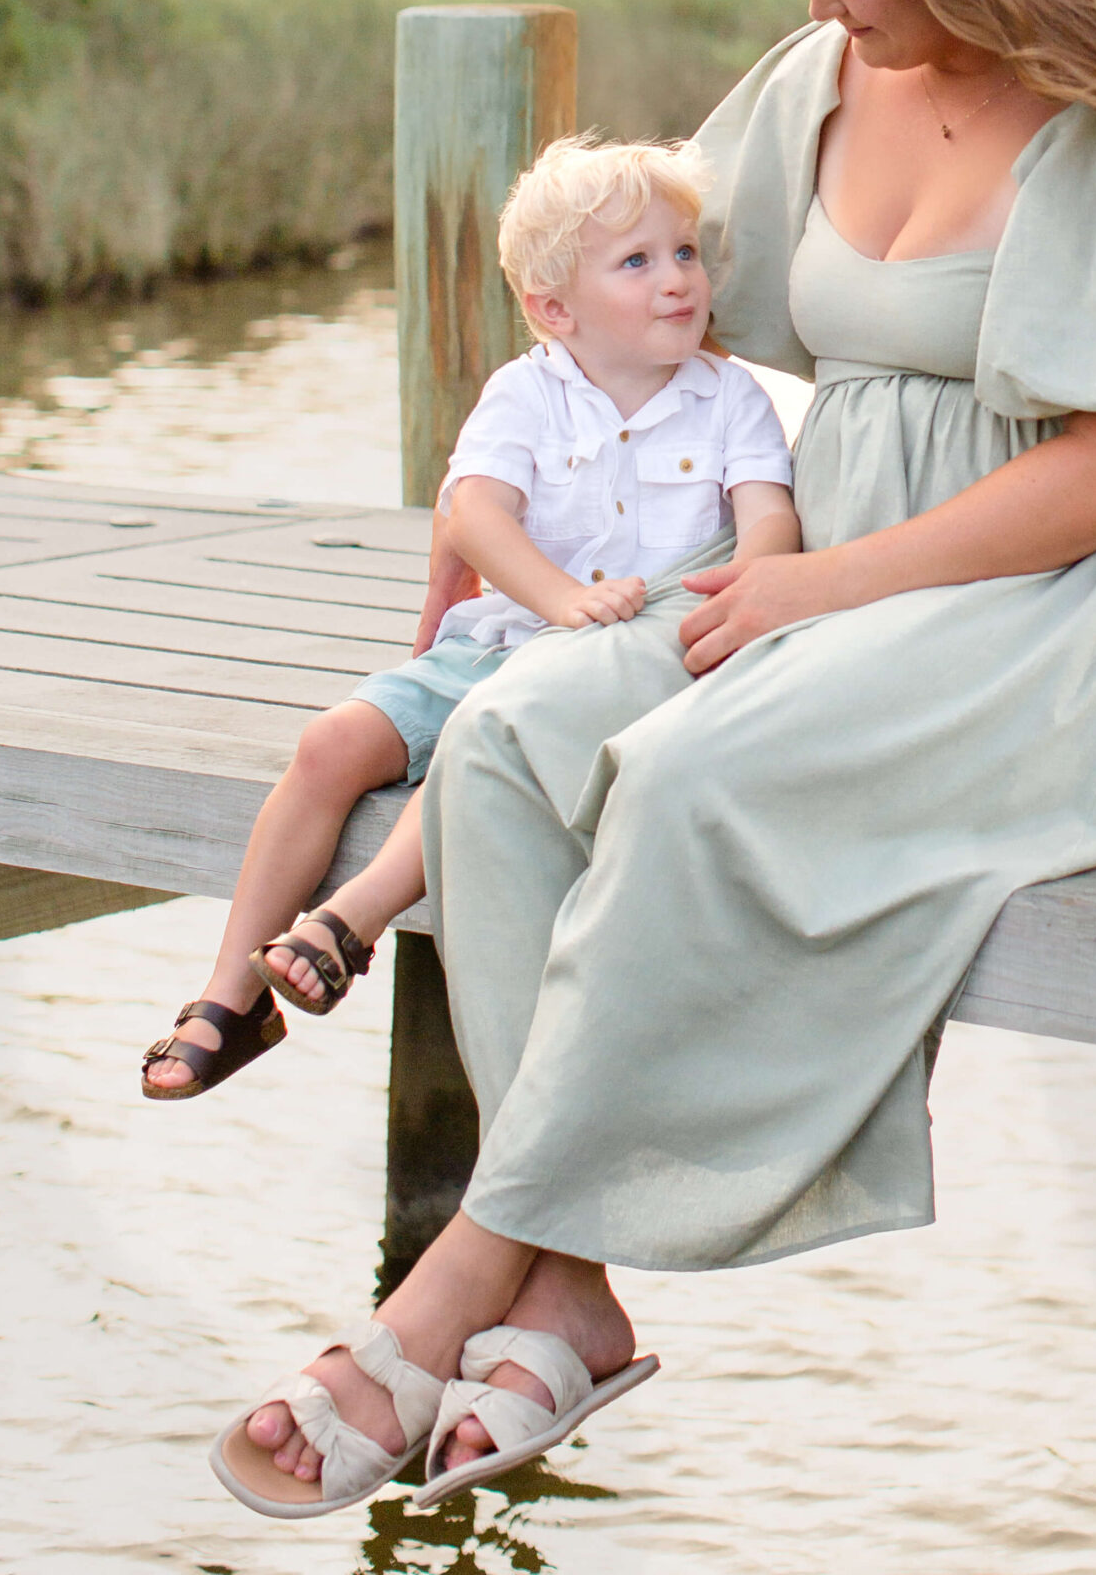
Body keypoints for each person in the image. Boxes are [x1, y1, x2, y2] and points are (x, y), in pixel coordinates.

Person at [211, 0, 1096, 1521]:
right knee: (507, 738)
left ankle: (457, 1285)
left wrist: (816, 584)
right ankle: (568, 1296)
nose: (822, 1)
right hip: (814, 576)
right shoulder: (817, 84)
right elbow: (615, 274)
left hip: (1056, 615)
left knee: (693, 776)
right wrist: (492, 499)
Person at [141, 135, 797, 1099]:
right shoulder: (525, 394)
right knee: (331, 746)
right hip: (511, 637)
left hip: (618, 674)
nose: (676, 282)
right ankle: (231, 994)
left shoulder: (728, 399)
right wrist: (558, 598)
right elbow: (477, 514)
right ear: (553, 308)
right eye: (638, 261)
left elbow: (767, 518)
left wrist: (752, 599)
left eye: (685, 253)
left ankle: (350, 922)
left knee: (478, 749)